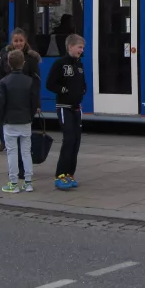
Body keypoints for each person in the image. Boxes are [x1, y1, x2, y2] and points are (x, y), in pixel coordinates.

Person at [0, 28, 41, 179]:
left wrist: (37, 103)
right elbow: (0, 77)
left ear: (25, 41)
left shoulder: (31, 58)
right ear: (12, 41)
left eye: (21, 40)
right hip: (9, 101)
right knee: (13, 142)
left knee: (23, 142)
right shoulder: (5, 56)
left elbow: (36, 82)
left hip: (25, 102)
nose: (18, 43)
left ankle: (21, 169)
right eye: (15, 41)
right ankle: (15, 169)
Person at [46, 34, 87, 191]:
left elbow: (82, 81)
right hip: (64, 107)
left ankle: (70, 173)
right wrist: (63, 90)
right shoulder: (60, 64)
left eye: (82, 48)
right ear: (70, 47)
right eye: (79, 47)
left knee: (76, 141)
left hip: (77, 107)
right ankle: (60, 175)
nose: (81, 50)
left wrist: (84, 89)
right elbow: (50, 84)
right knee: (68, 139)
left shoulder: (79, 64)